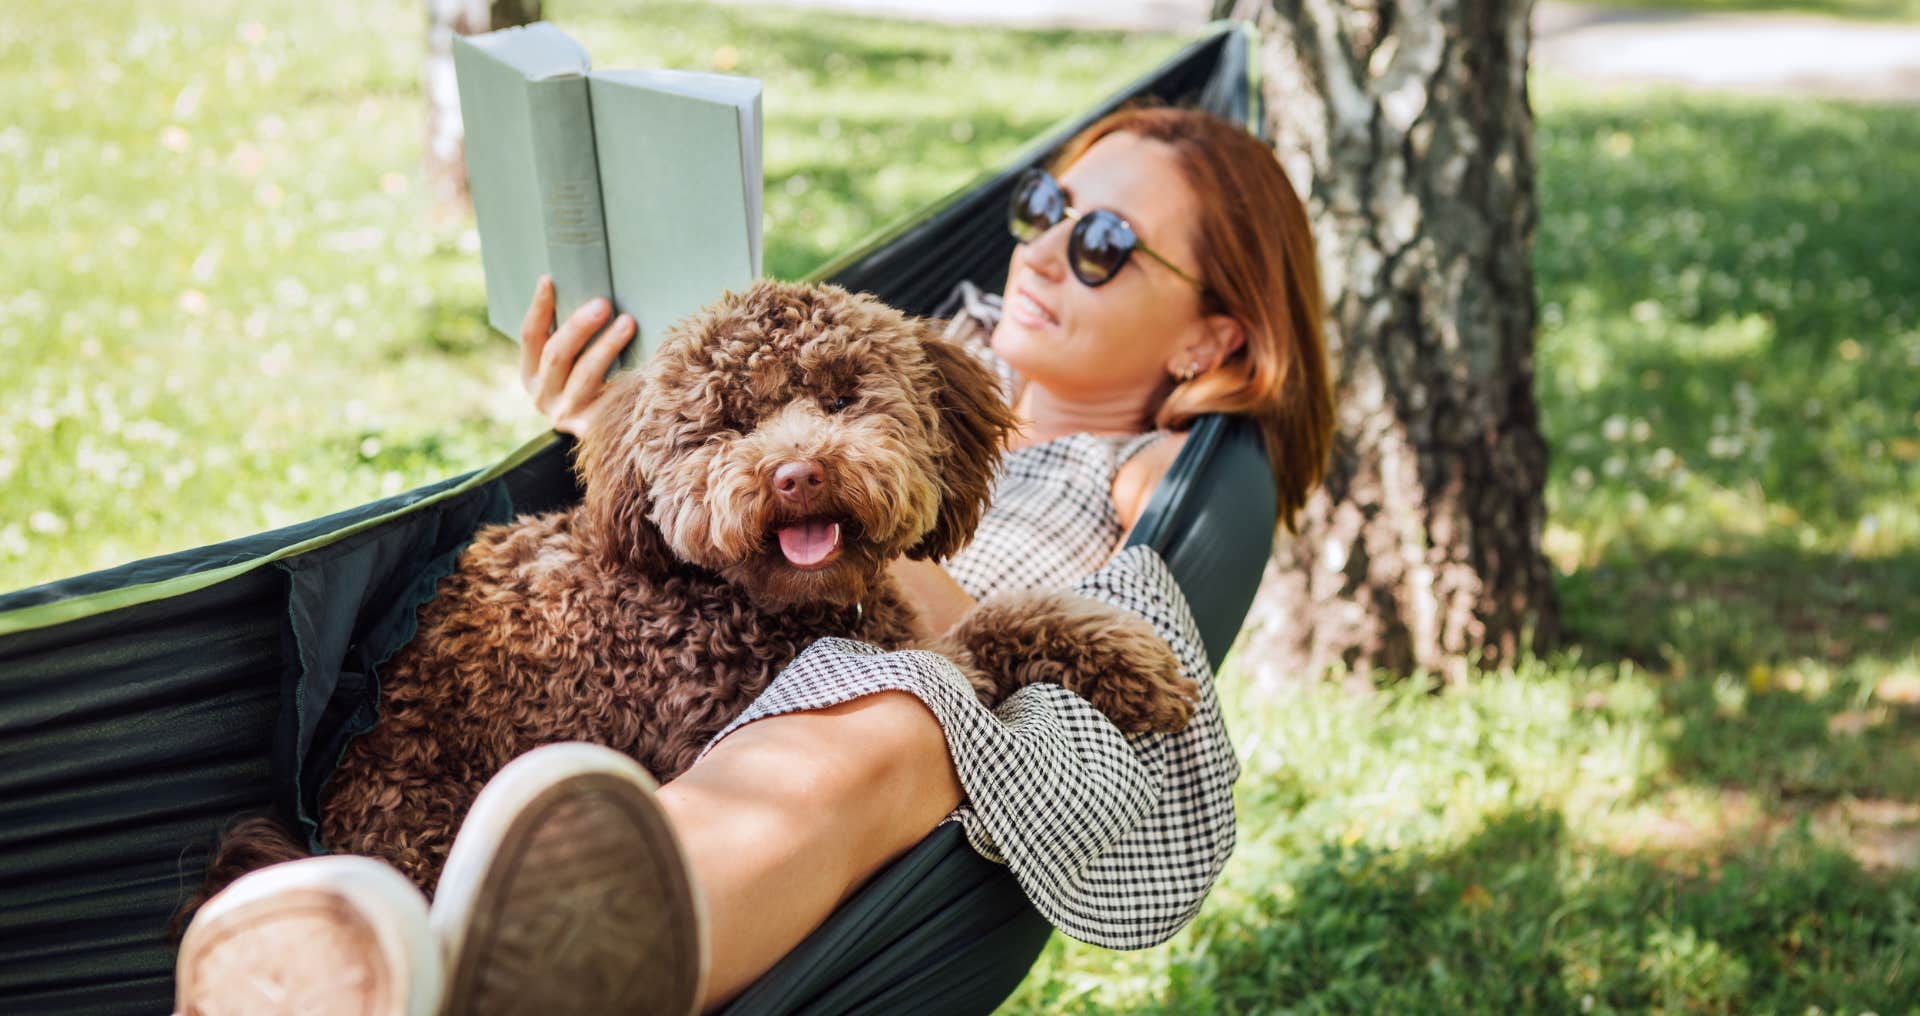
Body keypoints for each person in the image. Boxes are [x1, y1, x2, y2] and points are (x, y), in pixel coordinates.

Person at [174, 105, 1334, 1016]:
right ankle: (405, 958)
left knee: (884, 716)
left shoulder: (1149, 470)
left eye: (1106, 246)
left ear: (1211, 337)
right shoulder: (924, 341)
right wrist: (618, 421)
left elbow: (1080, 636)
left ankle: (445, 969)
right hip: (684, 690)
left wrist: (925, 591)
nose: (1042, 252)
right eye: (1046, 206)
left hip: (904, 705)